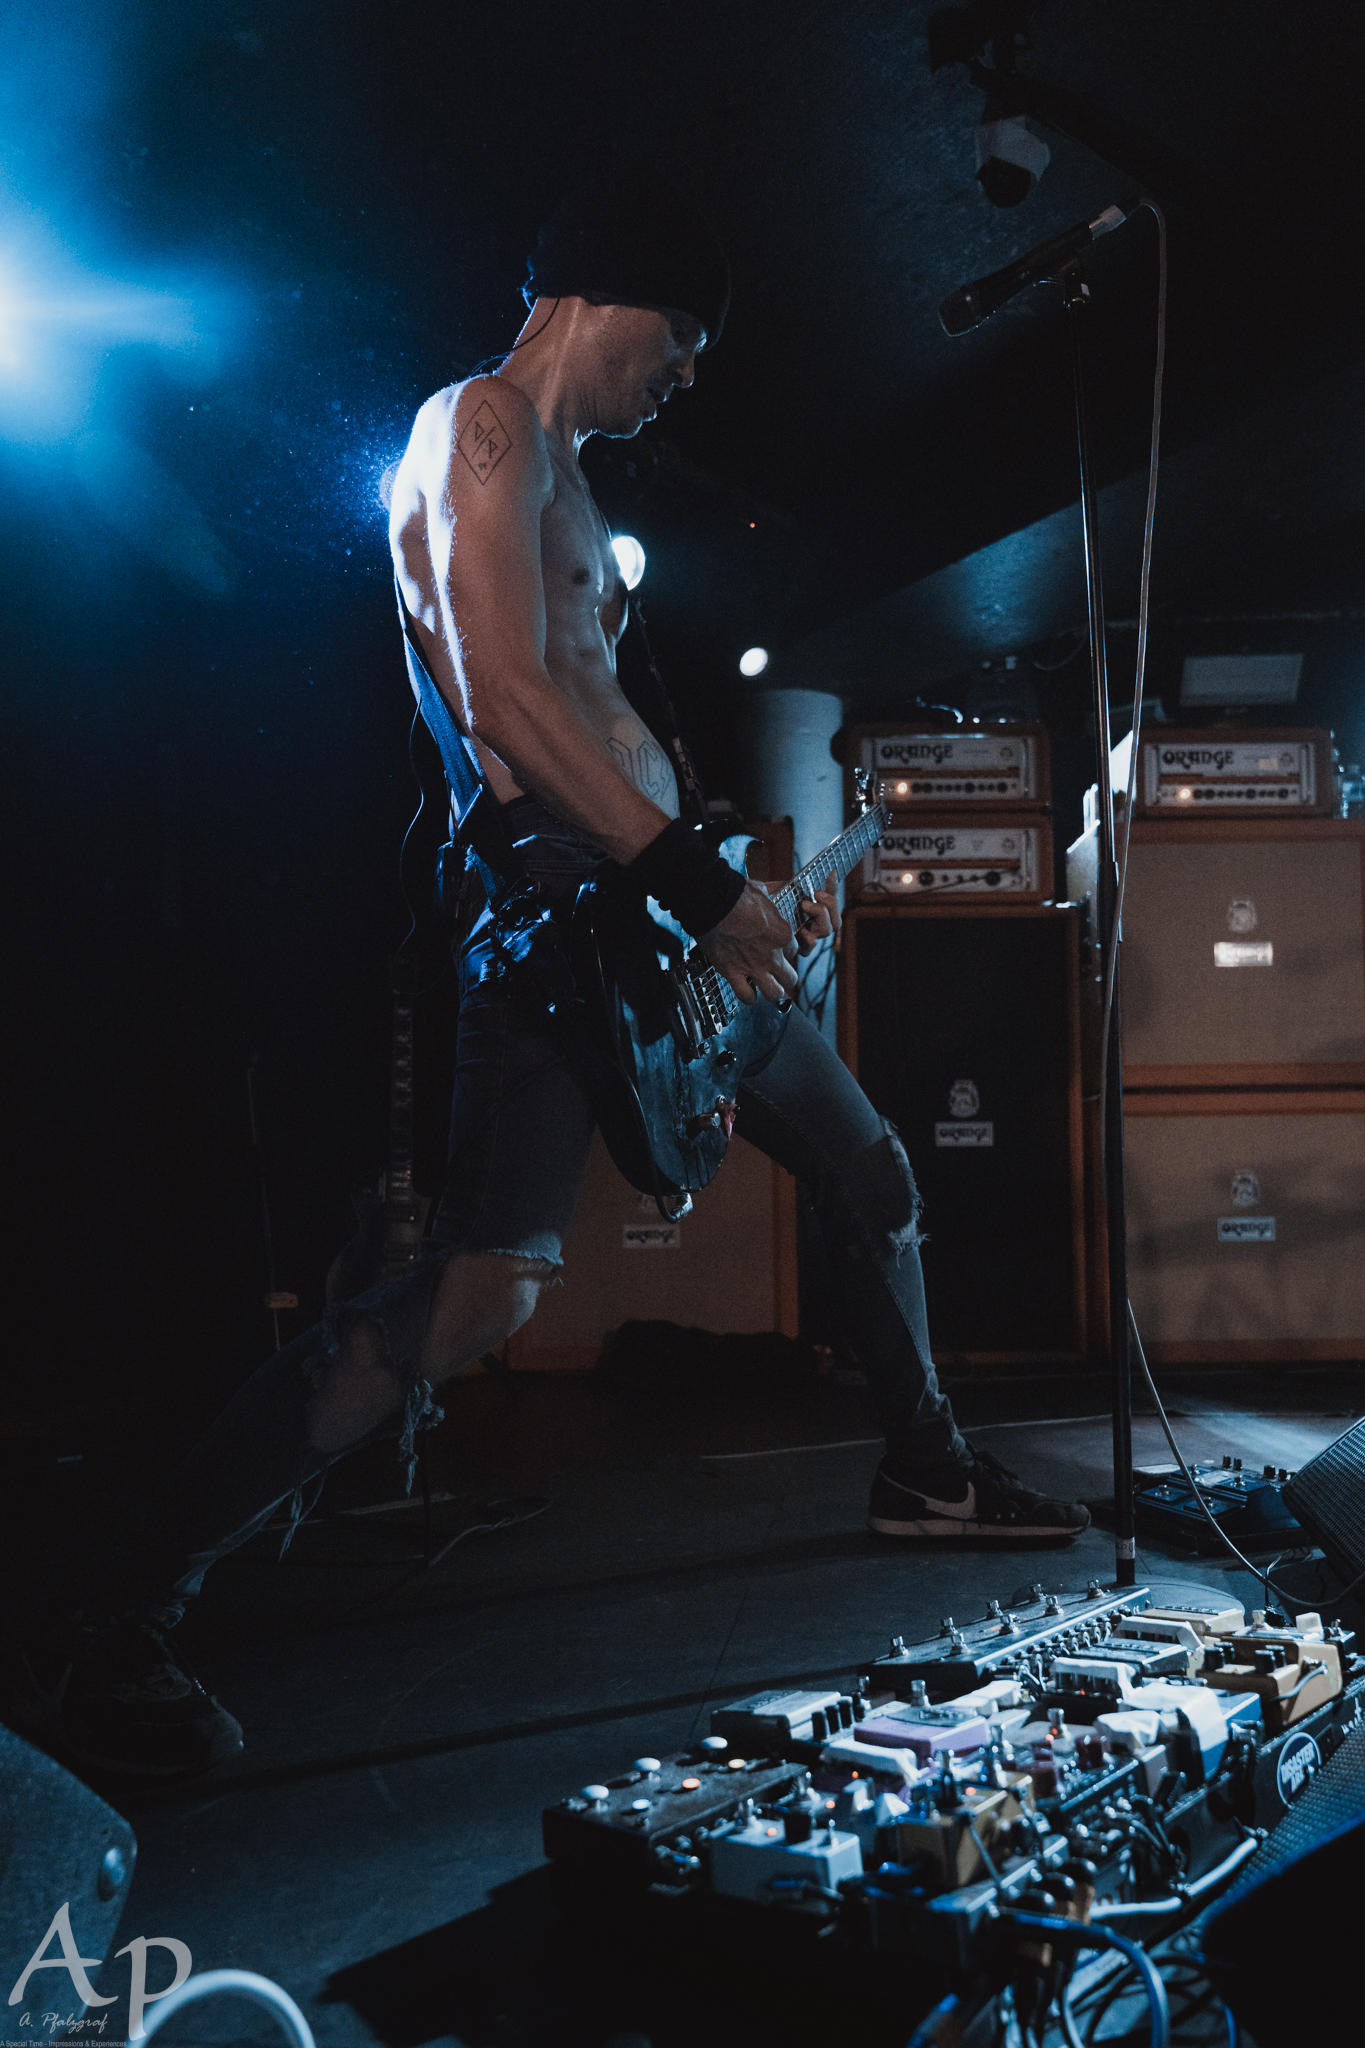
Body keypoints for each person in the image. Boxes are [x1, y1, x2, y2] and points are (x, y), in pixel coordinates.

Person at [9, 172, 1088, 1779]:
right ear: (603, 296)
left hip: (670, 928)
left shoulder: (567, 474)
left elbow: (594, 712)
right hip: (568, 918)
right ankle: (117, 1606)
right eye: (682, 334)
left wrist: (730, 898)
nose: (689, 371)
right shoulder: (481, 426)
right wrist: (701, 888)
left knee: (871, 1171)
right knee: (478, 1295)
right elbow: (505, 698)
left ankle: (928, 1472)